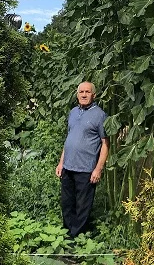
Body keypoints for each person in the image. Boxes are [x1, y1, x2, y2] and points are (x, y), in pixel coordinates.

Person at [55, 81, 108, 238]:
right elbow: (69, 139)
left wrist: (98, 168)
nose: (84, 95)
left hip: (86, 169)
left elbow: (105, 144)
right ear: (77, 94)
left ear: (94, 95)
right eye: (81, 92)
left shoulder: (100, 115)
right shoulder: (72, 112)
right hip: (68, 167)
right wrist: (61, 162)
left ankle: (77, 238)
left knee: (83, 206)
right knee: (67, 203)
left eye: (87, 92)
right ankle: (68, 233)